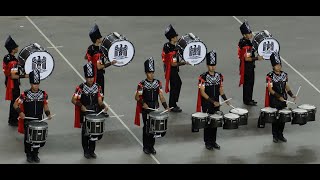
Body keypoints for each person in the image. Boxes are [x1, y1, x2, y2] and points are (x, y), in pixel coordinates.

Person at [13, 69, 53, 163]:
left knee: (37, 138)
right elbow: (15, 104)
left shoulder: (43, 94)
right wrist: (20, 112)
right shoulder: (25, 95)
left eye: (37, 84)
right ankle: (28, 155)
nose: (36, 86)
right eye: (34, 84)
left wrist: (48, 114)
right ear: (31, 84)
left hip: (38, 119)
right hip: (28, 120)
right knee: (28, 139)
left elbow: (45, 105)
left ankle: (35, 154)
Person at [72, 62, 109, 159]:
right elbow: (73, 100)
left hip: (95, 111)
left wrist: (104, 106)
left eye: (92, 77)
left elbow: (100, 101)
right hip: (85, 112)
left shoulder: (98, 87)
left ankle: (92, 151)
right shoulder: (80, 88)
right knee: (86, 132)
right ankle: (86, 151)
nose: (90, 79)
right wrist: (81, 105)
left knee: (94, 132)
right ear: (85, 77)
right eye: (88, 78)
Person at [134, 57, 170, 155]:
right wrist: (143, 103)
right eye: (150, 72)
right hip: (146, 109)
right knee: (147, 127)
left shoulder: (158, 83)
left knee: (154, 128)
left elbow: (161, 96)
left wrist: (166, 106)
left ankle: (152, 146)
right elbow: (137, 97)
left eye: (152, 72)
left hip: (155, 108)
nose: (151, 74)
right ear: (146, 73)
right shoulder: (142, 84)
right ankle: (146, 147)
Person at [196, 50, 230, 150]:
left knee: (215, 122)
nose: (212, 67)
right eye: (210, 65)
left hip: (216, 103)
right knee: (208, 123)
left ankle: (213, 141)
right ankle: (207, 142)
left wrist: (225, 99)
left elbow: (220, 89)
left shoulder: (219, 76)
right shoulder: (203, 77)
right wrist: (212, 102)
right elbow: (202, 92)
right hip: (207, 103)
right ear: (207, 65)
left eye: (214, 65)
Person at [264, 52, 297, 143]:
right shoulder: (269, 76)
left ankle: (280, 134)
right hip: (274, 99)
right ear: (273, 66)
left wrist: (291, 94)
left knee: (282, 117)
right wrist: (279, 97)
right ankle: (275, 135)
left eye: (279, 65)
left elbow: (286, 85)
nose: (279, 67)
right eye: (277, 65)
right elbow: (270, 89)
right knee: (275, 118)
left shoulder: (284, 75)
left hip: (283, 99)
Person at [85, 24, 117, 98]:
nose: (101, 38)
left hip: (91, 73)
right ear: (97, 40)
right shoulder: (97, 53)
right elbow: (99, 67)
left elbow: (86, 57)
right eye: (100, 37)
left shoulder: (90, 48)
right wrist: (111, 63)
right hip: (98, 76)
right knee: (100, 95)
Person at [161, 24, 188, 112]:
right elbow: (173, 64)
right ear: (172, 38)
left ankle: (173, 103)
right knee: (176, 85)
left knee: (176, 84)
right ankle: (173, 105)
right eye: (176, 36)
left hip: (169, 68)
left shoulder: (167, 45)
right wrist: (183, 63)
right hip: (171, 70)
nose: (177, 37)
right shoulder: (173, 49)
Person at [3, 35, 29, 126]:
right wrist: (25, 76)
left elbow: (8, 72)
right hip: (13, 84)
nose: (18, 47)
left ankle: (12, 119)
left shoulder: (6, 57)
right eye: (16, 47)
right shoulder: (13, 62)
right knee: (15, 102)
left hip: (8, 82)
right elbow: (14, 76)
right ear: (13, 49)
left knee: (13, 101)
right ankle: (13, 120)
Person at [237, 20, 263, 106]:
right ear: (244, 35)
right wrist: (257, 58)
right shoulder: (246, 45)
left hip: (244, 66)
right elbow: (247, 58)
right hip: (247, 67)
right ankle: (248, 100)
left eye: (250, 32)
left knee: (247, 83)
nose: (251, 34)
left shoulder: (242, 41)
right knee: (249, 83)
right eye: (249, 33)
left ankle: (247, 99)